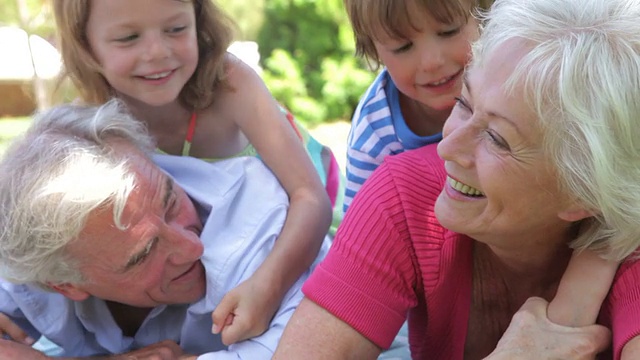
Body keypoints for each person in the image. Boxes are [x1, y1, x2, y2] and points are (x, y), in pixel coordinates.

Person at [274, 0, 640, 358]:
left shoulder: (629, 250)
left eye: (498, 138)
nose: (446, 146)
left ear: (583, 193)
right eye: (463, 104)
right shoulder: (402, 197)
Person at [52, 0, 342, 345]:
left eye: (176, 29)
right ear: (85, 45)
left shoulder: (229, 83)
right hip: (197, 261)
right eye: (129, 37)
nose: (158, 52)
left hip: (299, 242)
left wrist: (268, 286)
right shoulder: (93, 120)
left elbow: (311, 198)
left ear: (199, 20)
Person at [0, 100, 330, 358]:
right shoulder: (35, 252)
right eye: (143, 253)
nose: (192, 247)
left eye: (171, 202)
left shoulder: (264, 225)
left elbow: (315, 351)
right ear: (64, 285)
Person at [342, 0, 486, 213]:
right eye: (403, 47)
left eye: (449, 31)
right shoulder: (373, 137)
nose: (431, 62)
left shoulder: (515, 79)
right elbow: (359, 234)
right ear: (374, 50)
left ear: (484, 15)